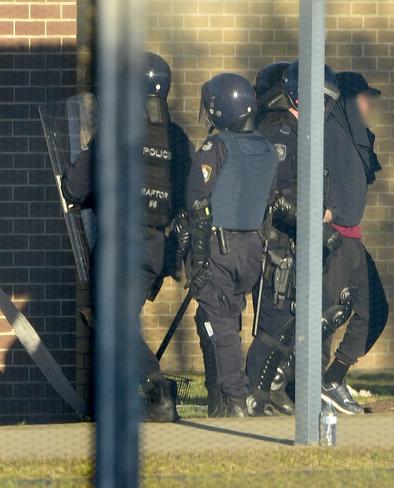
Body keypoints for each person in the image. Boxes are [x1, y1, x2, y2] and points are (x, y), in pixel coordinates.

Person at [62, 52, 192, 421]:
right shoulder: (177, 139)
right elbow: (186, 194)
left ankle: (157, 389)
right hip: (157, 246)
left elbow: (75, 187)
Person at [245, 62, 345, 416]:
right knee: (274, 323)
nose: (321, 109)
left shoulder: (298, 132)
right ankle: (254, 393)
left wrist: (326, 213)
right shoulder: (279, 132)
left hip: (298, 242)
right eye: (316, 99)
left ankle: (278, 388)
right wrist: (318, 228)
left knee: (305, 317)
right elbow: (274, 196)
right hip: (279, 245)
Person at [186, 73, 277, 417]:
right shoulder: (266, 148)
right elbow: (268, 197)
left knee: (218, 322)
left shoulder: (217, 147)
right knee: (219, 319)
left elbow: (197, 202)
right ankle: (220, 399)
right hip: (252, 247)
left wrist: (196, 260)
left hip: (219, 246)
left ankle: (234, 399)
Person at [320, 71, 389, 414]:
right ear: (347, 100)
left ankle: (332, 377)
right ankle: (310, 388)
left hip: (354, 238)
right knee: (326, 317)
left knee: (374, 309)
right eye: (363, 97)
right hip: (334, 241)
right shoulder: (329, 132)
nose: (368, 104)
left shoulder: (355, 135)